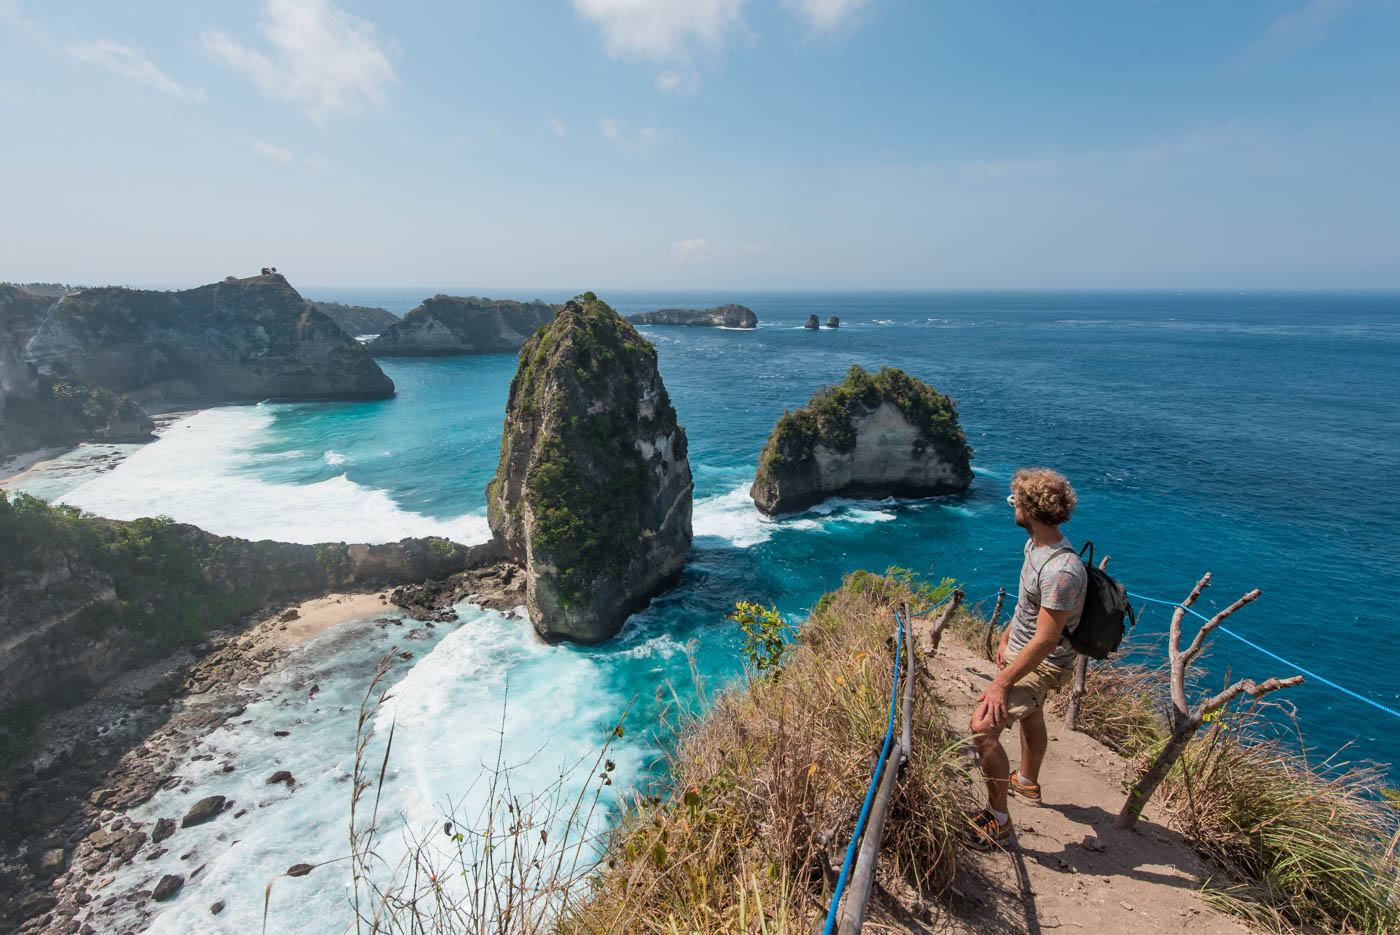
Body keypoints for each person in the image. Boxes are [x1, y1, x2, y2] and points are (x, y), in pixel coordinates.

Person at [964, 467, 1087, 848]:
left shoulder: (1062, 571)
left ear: (1029, 511)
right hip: (1021, 652)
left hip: (1045, 663)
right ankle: (1026, 781)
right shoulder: (1035, 546)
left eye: (1014, 501)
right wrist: (1006, 638)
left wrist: (1001, 683)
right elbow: (1027, 607)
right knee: (1030, 714)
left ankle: (998, 820)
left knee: (983, 728)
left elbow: (1047, 641)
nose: (1011, 506)